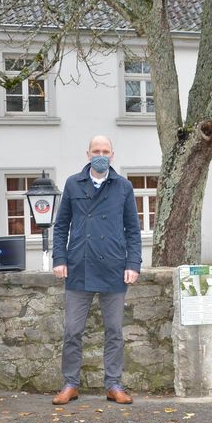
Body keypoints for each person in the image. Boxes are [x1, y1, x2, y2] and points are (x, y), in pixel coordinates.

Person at [51, 135, 142, 405]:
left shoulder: (123, 187)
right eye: (96, 151)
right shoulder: (72, 183)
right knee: (72, 331)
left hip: (114, 267)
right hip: (79, 266)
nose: (100, 155)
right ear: (87, 154)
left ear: (112, 155)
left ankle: (113, 384)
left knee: (114, 331)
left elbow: (133, 230)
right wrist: (59, 258)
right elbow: (61, 225)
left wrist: (132, 264)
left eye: (105, 151)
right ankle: (70, 384)